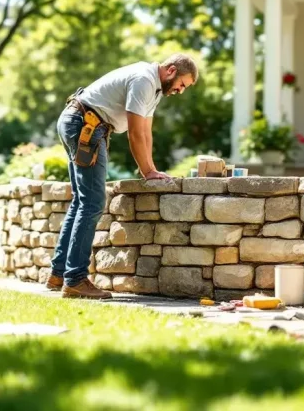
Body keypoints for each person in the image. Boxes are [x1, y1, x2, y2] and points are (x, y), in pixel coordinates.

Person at [45, 53, 199, 299]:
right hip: (86, 124)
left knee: (81, 201)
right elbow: (135, 133)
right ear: (171, 70)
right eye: (182, 85)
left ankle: (58, 274)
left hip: (80, 120)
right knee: (93, 203)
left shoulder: (155, 89)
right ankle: (75, 280)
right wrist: (147, 171)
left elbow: (146, 131)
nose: (180, 91)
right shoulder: (144, 80)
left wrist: (151, 169)